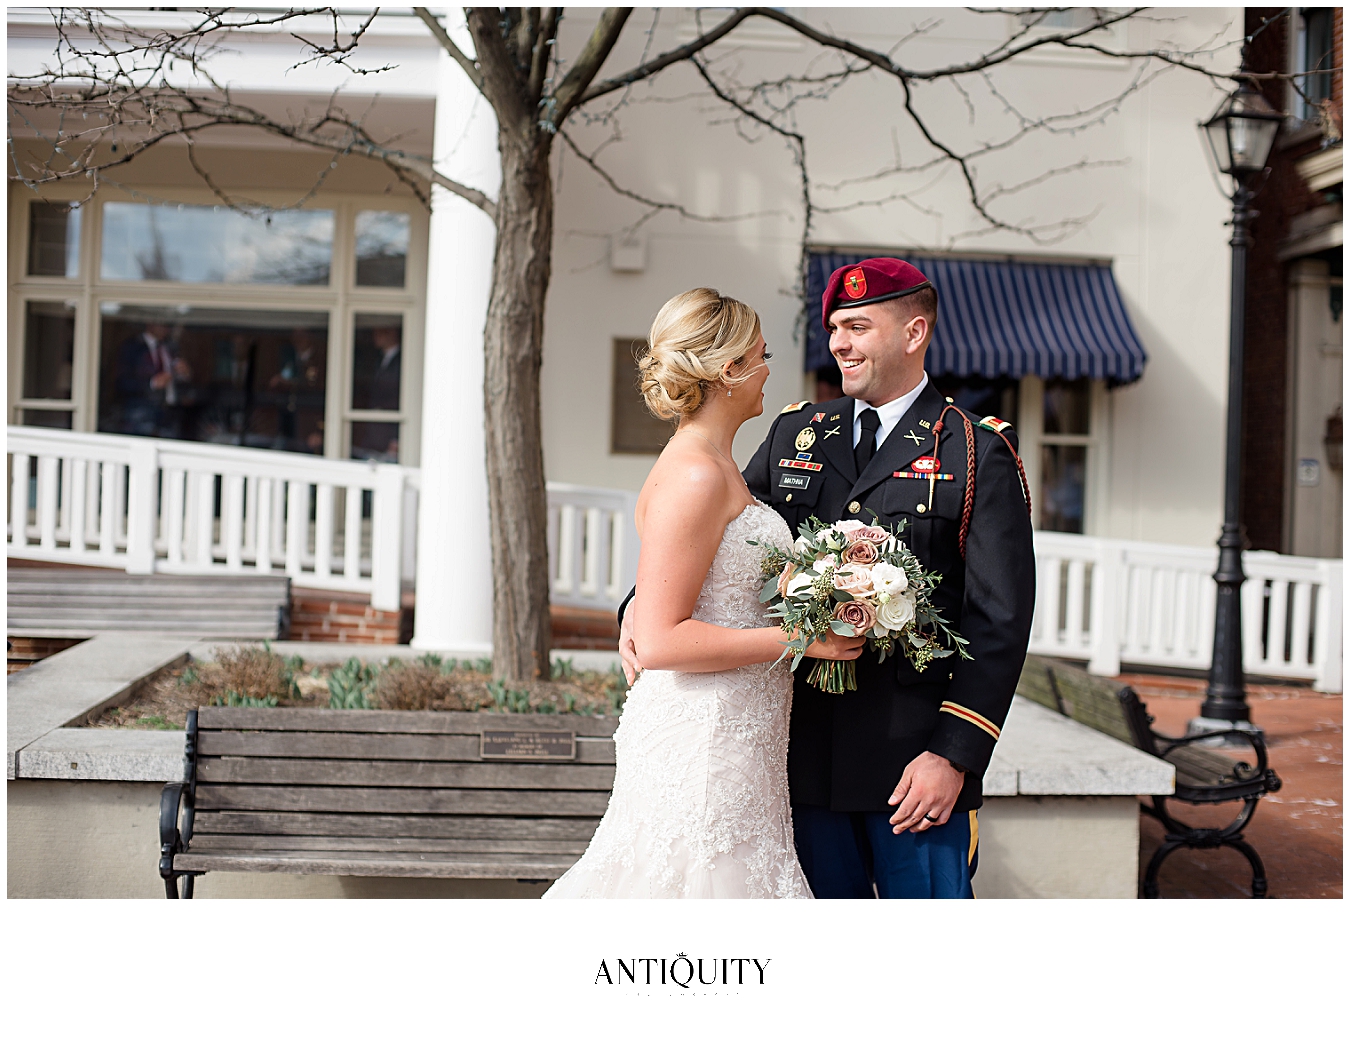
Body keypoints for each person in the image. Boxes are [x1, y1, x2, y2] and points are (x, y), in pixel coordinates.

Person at [618, 258, 1036, 898]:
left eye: (859, 326)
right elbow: (707, 547)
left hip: (910, 768)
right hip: (795, 764)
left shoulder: (974, 452)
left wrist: (953, 755)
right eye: (836, 327)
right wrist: (638, 611)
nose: (839, 342)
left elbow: (999, 622)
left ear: (913, 333)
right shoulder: (795, 435)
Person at [543, 289, 864, 899]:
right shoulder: (695, 473)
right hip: (705, 739)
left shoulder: (720, 465)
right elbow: (662, 639)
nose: (771, 367)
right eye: (763, 353)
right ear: (729, 370)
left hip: (740, 732)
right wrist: (802, 638)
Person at [113, 321, 191, 437]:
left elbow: (175, 376)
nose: (167, 329)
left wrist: (184, 373)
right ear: (150, 323)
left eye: (169, 326)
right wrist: (152, 383)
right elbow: (122, 382)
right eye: (164, 325)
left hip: (171, 411)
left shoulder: (170, 347)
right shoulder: (133, 347)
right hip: (141, 413)